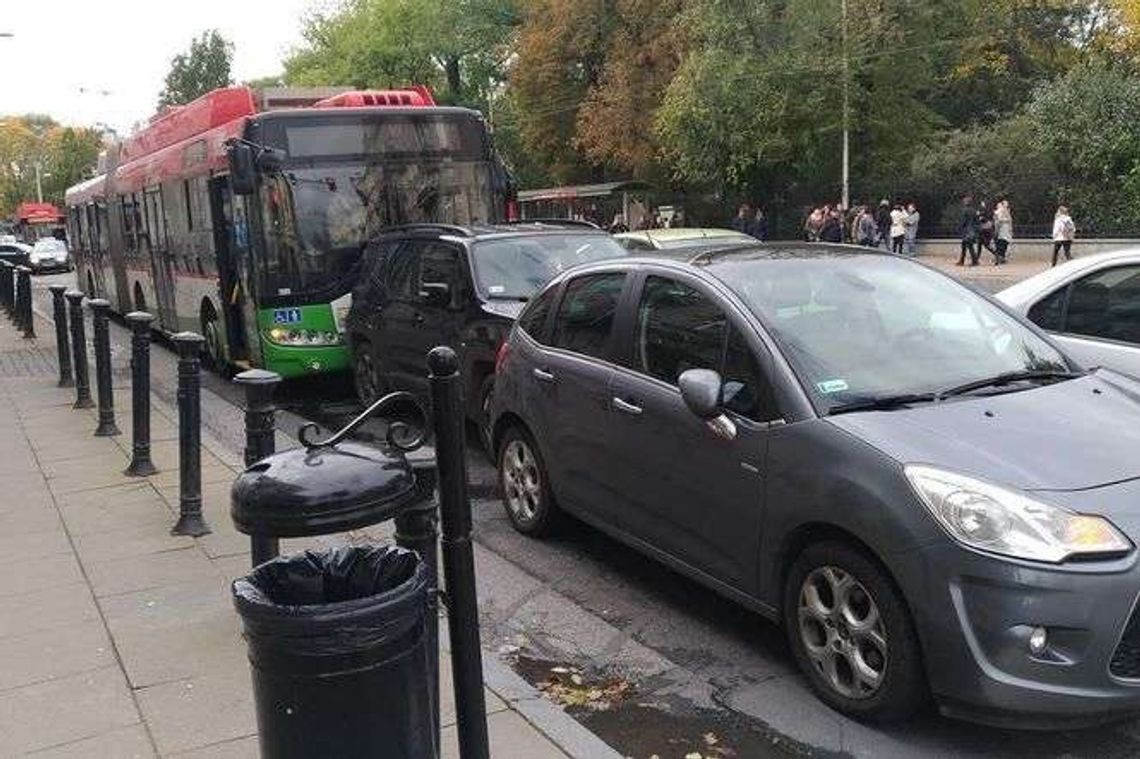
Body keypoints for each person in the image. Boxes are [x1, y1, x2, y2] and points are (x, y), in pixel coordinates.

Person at [956, 195, 980, 266]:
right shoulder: (974, 210)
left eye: (964, 201)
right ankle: (963, 261)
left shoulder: (965, 210)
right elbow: (977, 221)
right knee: (966, 246)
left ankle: (973, 261)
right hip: (973, 230)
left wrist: (959, 228)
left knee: (968, 246)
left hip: (967, 231)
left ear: (966, 203)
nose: (963, 202)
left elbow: (963, 221)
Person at [993, 199, 1013, 265]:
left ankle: (1001, 258)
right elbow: (998, 221)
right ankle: (999, 258)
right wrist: (997, 230)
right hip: (1001, 230)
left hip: (1005, 230)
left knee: (1004, 244)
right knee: (1000, 244)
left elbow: (1010, 221)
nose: (1006, 205)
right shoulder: (999, 212)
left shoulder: (1006, 212)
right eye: (1004, 204)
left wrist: (1010, 229)